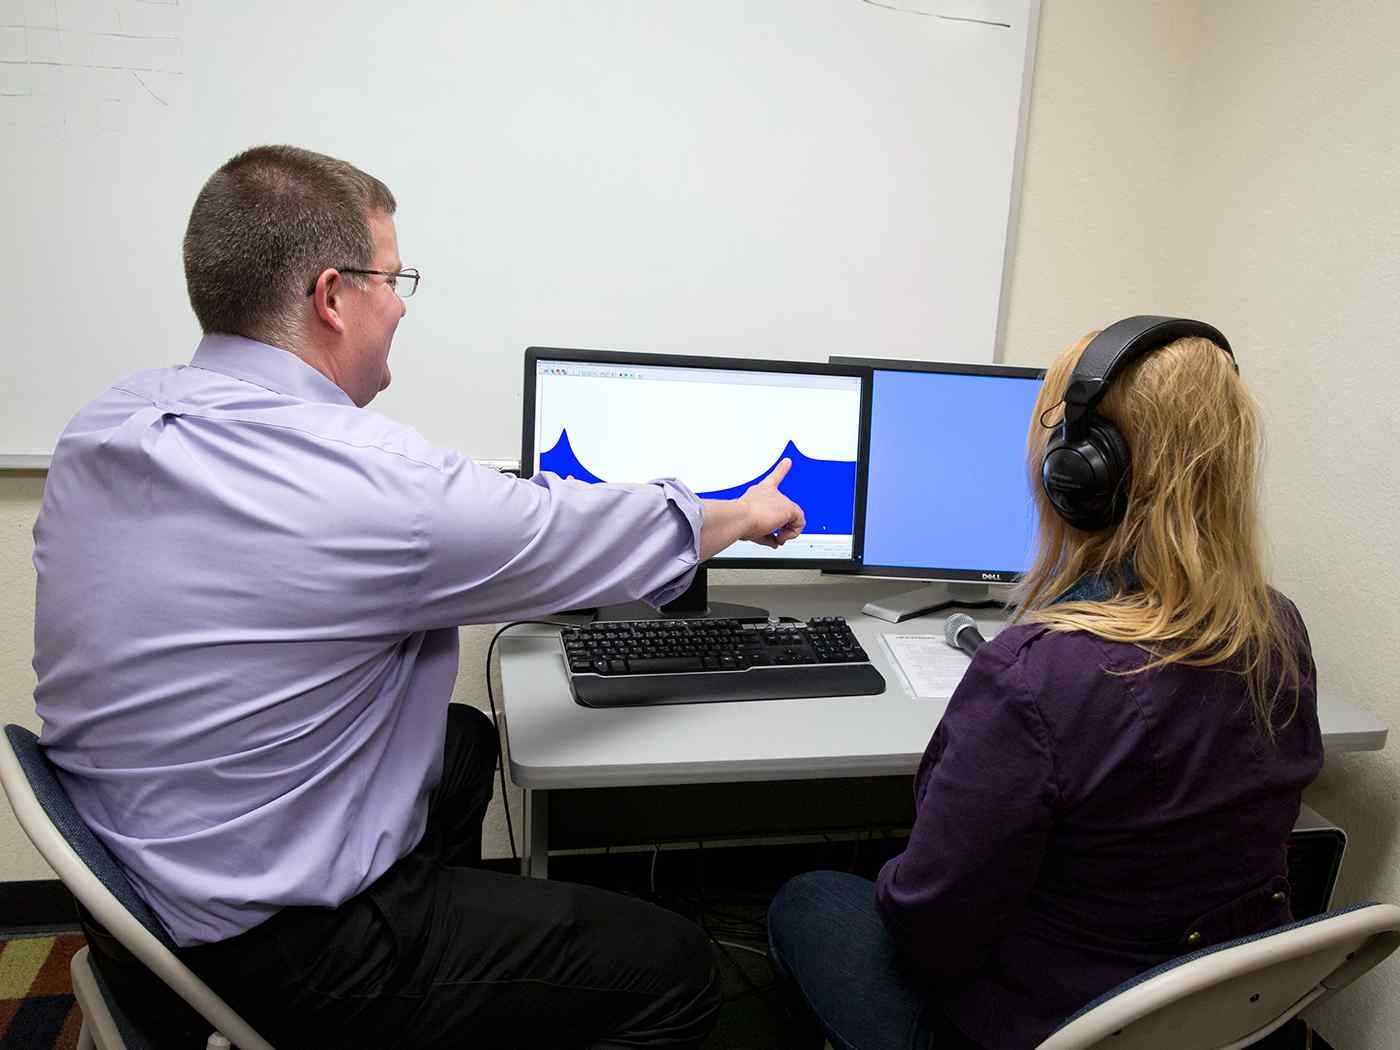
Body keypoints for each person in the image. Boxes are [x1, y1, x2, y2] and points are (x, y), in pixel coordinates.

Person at [32, 144, 808, 1048]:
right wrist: (741, 513)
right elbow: (577, 530)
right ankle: (403, 991)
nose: (401, 305)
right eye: (394, 281)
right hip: (281, 946)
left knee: (464, 743)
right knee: (671, 967)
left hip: (140, 881)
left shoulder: (110, 424)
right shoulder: (369, 487)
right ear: (331, 295)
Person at [767, 321, 1324, 1050]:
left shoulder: (1036, 675)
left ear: (1079, 477)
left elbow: (929, 927)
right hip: (1210, 1013)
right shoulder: (1276, 629)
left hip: (1042, 1024)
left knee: (808, 901)